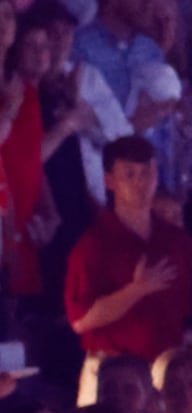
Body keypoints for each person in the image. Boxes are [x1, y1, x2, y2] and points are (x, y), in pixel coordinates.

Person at [66, 134, 192, 366]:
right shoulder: (94, 244)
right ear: (110, 181)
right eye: (130, 174)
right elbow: (80, 320)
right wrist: (135, 290)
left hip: (170, 368)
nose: (140, 182)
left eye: (147, 173)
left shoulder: (176, 241)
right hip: (112, 373)